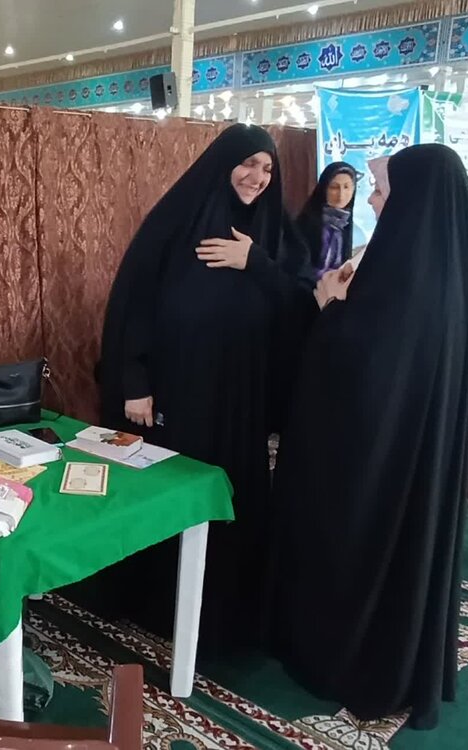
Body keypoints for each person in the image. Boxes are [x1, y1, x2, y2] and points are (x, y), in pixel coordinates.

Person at [268, 145, 468, 729]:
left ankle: (336, 654)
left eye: (383, 191)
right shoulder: (442, 267)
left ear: (413, 200)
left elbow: (360, 368)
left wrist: (328, 308)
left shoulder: (403, 273)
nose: (375, 201)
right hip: (408, 457)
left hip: (371, 466)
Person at [96, 124, 313, 650]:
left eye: (268, 168)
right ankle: (159, 603)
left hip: (241, 401)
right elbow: (134, 304)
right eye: (249, 163)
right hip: (180, 393)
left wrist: (254, 263)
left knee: (229, 496)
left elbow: (301, 307)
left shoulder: (276, 236)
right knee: (173, 494)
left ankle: (221, 612)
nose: (258, 177)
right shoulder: (177, 223)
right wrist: (134, 382)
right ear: (222, 164)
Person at [296, 162, 357, 279]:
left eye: (346, 187)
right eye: (334, 187)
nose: (341, 194)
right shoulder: (306, 223)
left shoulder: (346, 223)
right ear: (324, 189)